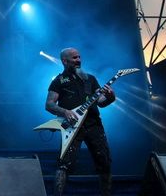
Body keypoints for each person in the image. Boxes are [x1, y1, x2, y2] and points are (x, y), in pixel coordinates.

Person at [45, 47, 116, 196]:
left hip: (93, 125)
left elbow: (101, 102)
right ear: (65, 61)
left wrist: (110, 97)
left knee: (104, 162)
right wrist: (65, 112)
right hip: (72, 127)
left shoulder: (90, 79)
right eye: (74, 58)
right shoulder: (58, 81)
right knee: (63, 165)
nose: (78, 60)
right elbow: (49, 105)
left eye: (79, 57)